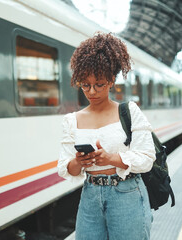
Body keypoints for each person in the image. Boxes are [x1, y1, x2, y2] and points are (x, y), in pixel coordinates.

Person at [58, 32, 157, 240]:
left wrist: (110, 158)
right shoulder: (72, 120)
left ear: (111, 80)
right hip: (90, 196)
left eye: (99, 84)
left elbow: (147, 158)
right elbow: (65, 167)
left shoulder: (129, 111)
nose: (91, 91)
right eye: (85, 85)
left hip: (127, 193)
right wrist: (78, 161)